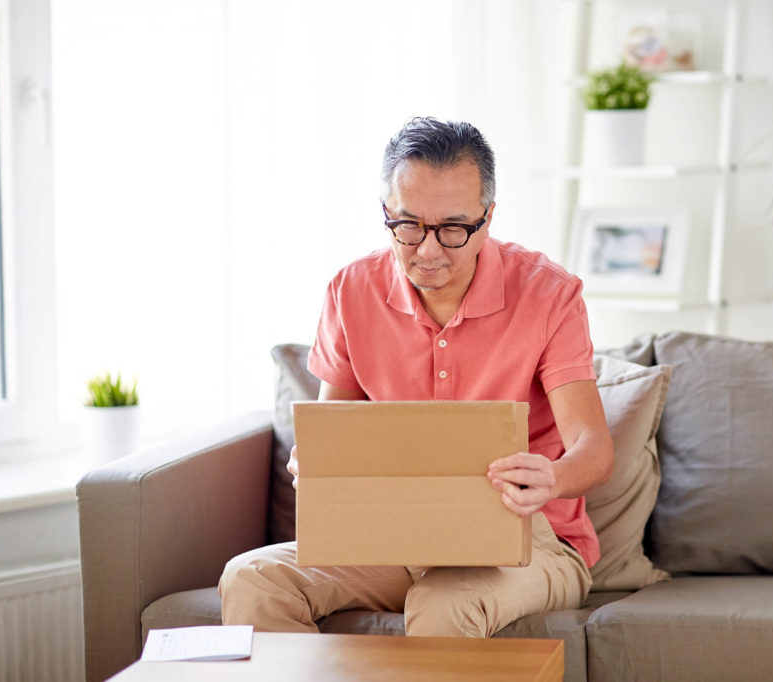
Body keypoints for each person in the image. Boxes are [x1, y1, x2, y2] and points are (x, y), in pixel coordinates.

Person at [219, 117, 614, 638]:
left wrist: (552, 479)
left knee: (443, 604)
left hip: (529, 539)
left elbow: (593, 447)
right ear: (386, 212)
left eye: (453, 229)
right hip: (392, 535)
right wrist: (314, 460)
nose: (428, 251)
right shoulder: (350, 290)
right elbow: (331, 425)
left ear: (488, 217)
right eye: (407, 226)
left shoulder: (549, 293)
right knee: (250, 579)